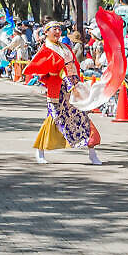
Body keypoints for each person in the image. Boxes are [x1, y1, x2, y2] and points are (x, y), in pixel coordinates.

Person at [23, 21, 102, 165]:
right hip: (57, 89)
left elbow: (75, 66)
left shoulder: (65, 47)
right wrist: (57, 73)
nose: (58, 32)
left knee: (82, 117)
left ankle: (92, 152)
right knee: (54, 119)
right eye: (54, 29)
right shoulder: (45, 49)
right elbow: (41, 71)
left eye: (59, 29)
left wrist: (76, 81)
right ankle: (40, 150)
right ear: (46, 32)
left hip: (72, 87)